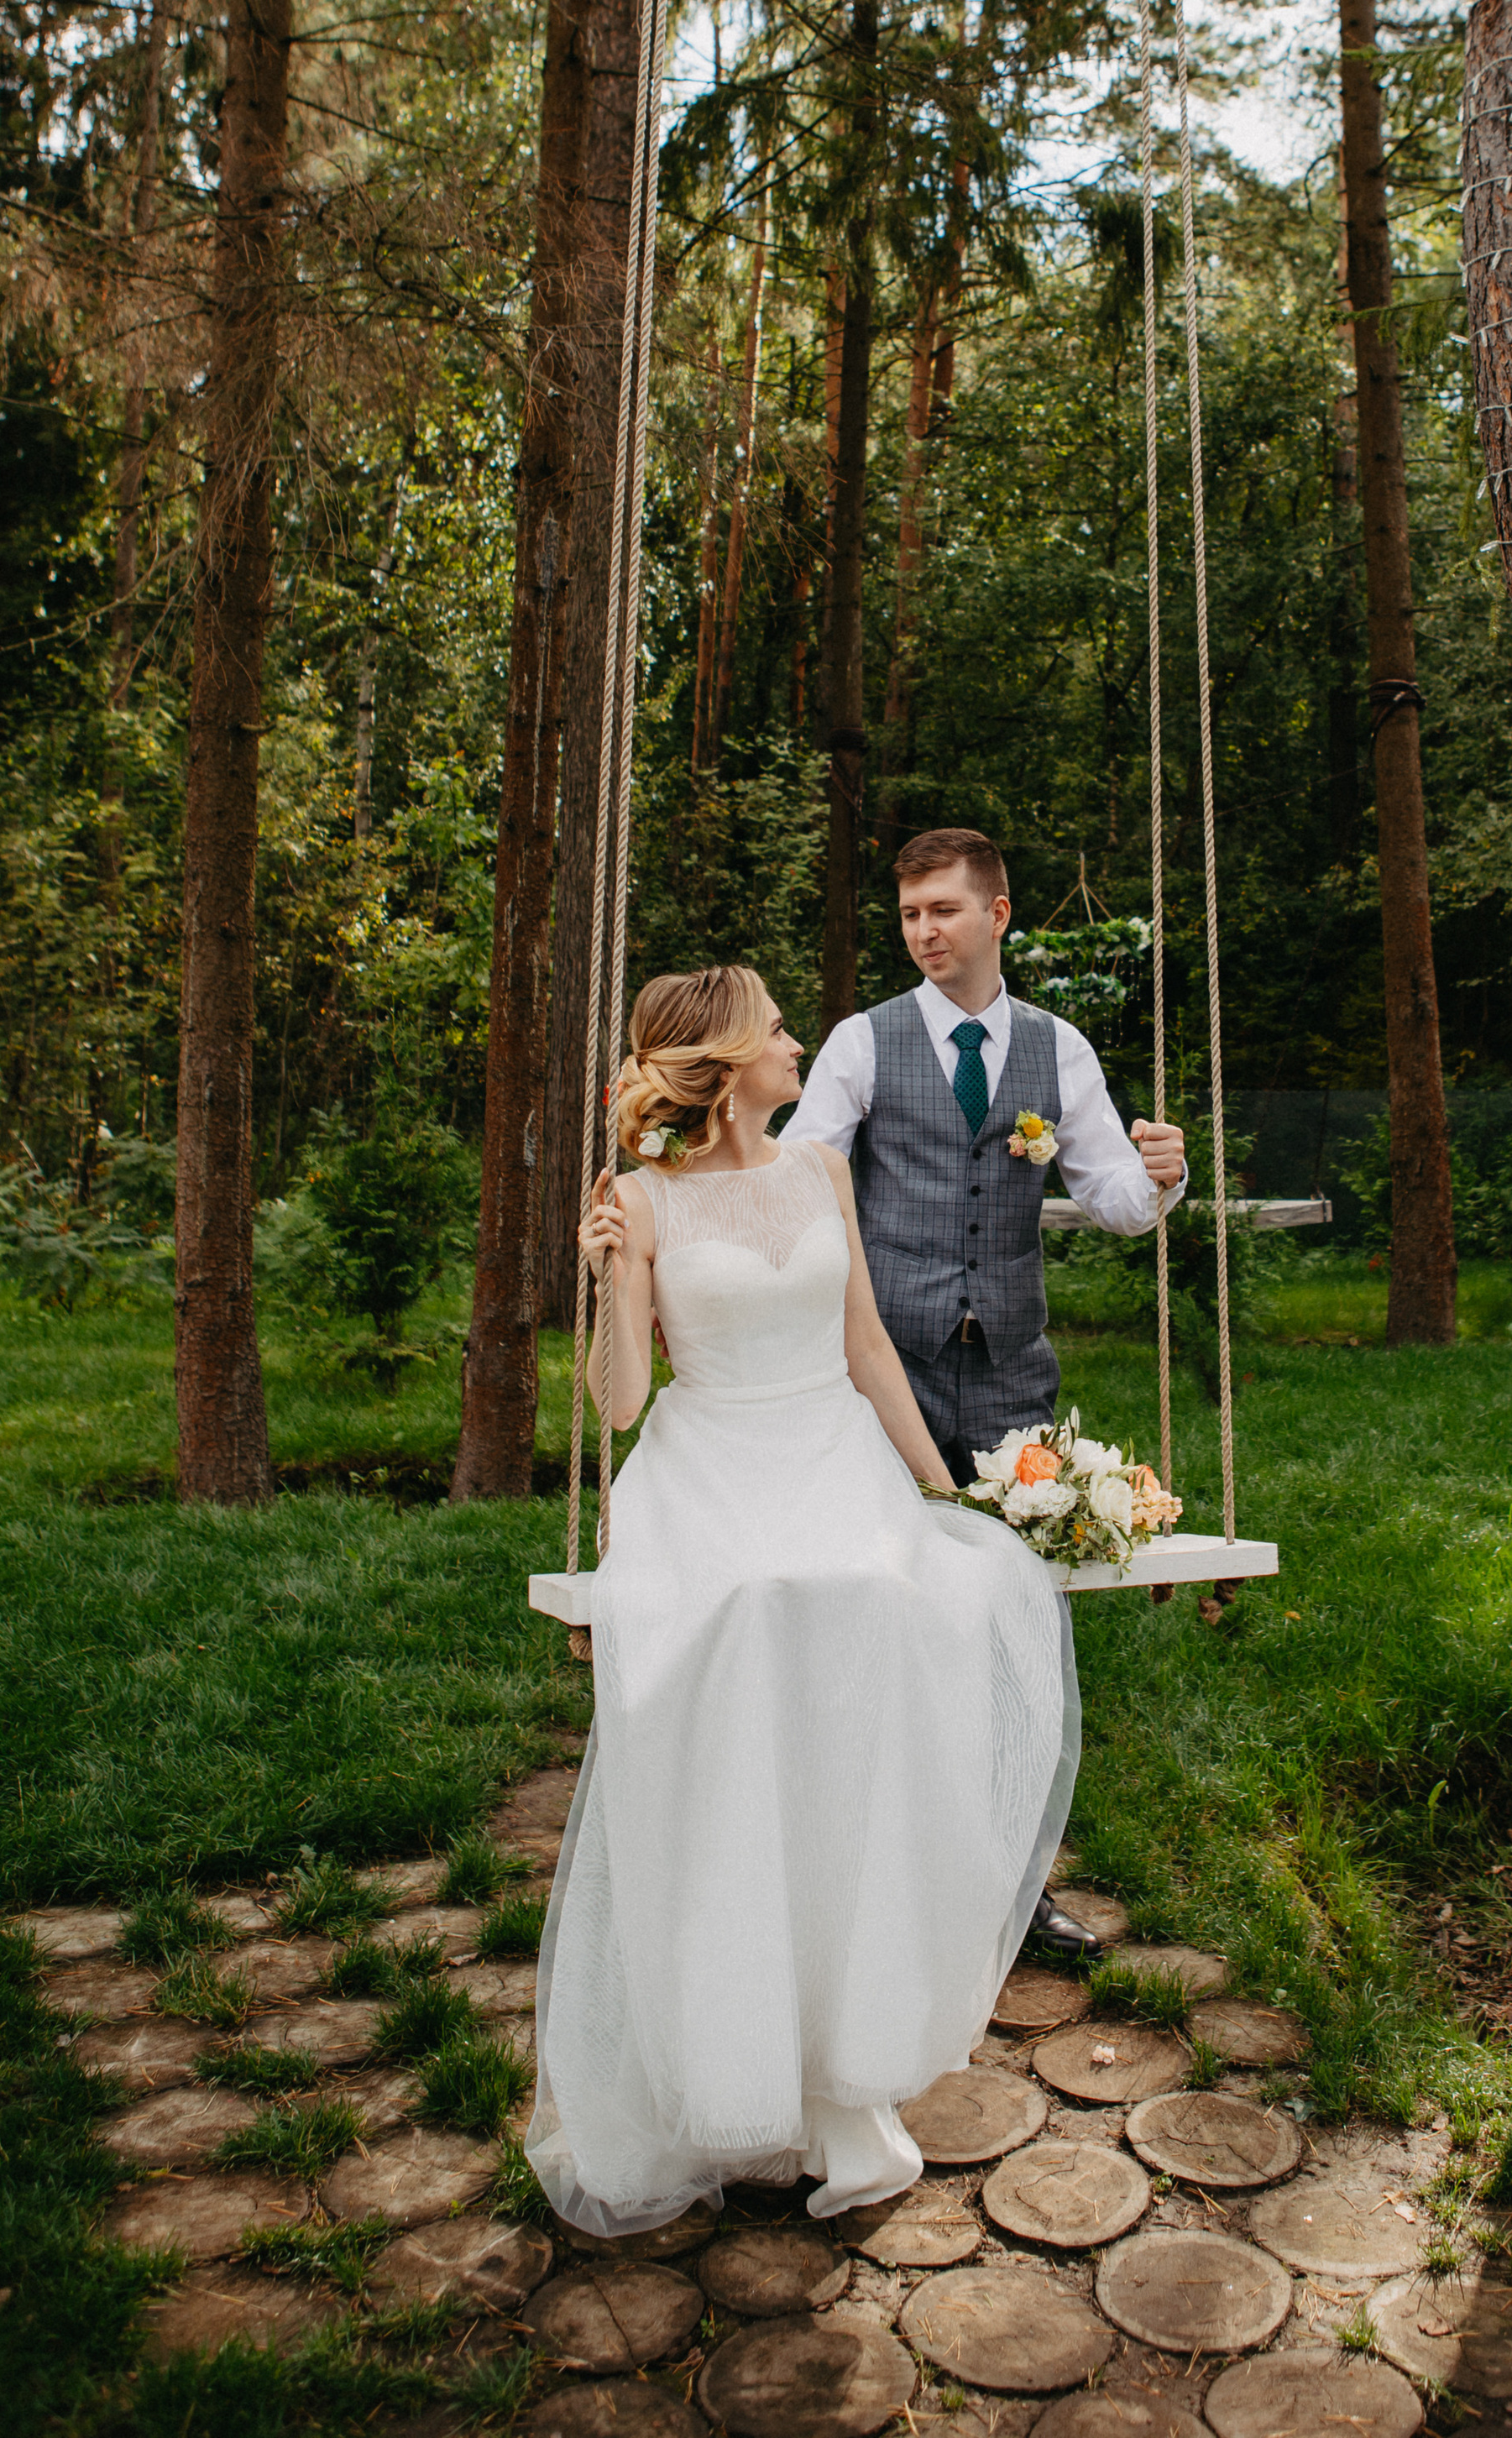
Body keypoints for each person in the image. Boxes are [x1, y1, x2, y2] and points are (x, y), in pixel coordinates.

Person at [526, 965, 1080, 2238]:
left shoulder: (822, 1172)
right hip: (710, 1464)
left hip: (833, 1457)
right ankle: (743, 2055)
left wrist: (952, 1497)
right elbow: (617, 1404)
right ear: (724, 1062)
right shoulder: (642, 1195)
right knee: (754, 1627)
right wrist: (611, 1274)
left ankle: (849, 2068)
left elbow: (868, 1349)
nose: (796, 1044)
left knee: (889, 1609)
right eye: (777, 1030)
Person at [787, 824, 1186, 1962]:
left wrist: (1166, 1174)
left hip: (1012, 1380)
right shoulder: (862, 1045)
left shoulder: (1058, 1054)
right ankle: (875, 1882)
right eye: (911, 914)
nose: (924, 932)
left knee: (1017, 1639)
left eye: (944, 911)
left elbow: (1114, 1199)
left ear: (996, 917)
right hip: (883, 1382)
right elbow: (804, 1180)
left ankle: (1019, 1891)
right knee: (881, 1623)